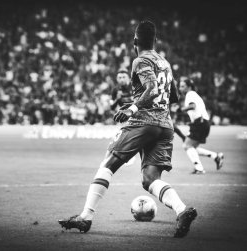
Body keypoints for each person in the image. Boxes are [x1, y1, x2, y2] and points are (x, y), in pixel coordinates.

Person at [59, 20, 197, 238]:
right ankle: (182, 210)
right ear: (155, 40)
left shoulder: (140, 60)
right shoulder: (166, 63)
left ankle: (85, 217)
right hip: (165, 126)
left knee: (108, 164)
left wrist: (133, 107)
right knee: (149, 179)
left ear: (135, 41)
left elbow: (151, 88)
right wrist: (147, 103)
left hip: (143, 122)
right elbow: (174, 97)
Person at [178, 79, 224, 174]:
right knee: (192, 148)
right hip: (202, 122)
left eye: (182, 86)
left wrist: (181, 109)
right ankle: (215, 156)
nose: (180, 88)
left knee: (187, 146)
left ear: (189, 86)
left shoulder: (190, 94)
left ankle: (199, 168)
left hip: (200, 122)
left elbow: (193, 106)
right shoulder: (193, 94)